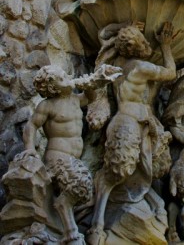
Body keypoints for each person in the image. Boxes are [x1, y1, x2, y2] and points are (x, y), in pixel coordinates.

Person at [86, 22, 176, 245]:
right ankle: (97, 224)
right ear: (135, 47)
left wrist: (124, 26)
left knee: (128, 171)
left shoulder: (116, 64)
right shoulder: (140, 67)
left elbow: (102, 32)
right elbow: (171, 73)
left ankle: (103, 223)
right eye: (142, 41)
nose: (146, 44)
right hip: (130, 123)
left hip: (130, 121)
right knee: (116, 173)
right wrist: (165, 46)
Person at [23, 64, 122, 244]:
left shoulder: (74, 99)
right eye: (62, 79)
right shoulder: (47, 105)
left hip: (73, 159)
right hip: (57, 156)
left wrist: (96, 81)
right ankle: (70, 232)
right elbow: (31, 125)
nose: (67, 78)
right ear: (53, 88)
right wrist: (30, 149)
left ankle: (66, 222)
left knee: (84, 191)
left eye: (66, 75)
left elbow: (90, 97)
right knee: (80, 185)